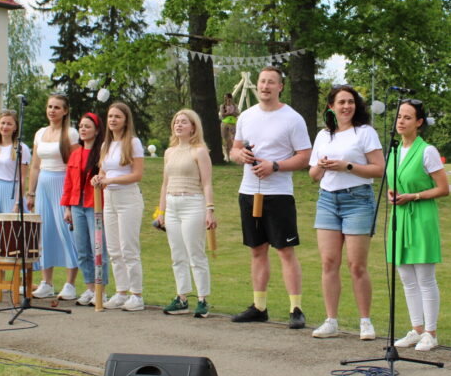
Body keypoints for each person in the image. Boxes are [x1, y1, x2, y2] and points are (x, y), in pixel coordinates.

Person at [230, 66, 312, 329]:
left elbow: (304, 157)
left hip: (278, 194)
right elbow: (234, 149)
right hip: (249, 191)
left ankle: (295, 308)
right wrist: (240, 156)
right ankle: (259, 306)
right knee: (257, 250)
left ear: (280, 87)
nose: (265, 86)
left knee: (285, 251)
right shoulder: (246, 116)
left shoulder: (293, 119)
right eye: (262, 82)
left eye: (271, 82)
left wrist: (274, 166)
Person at [308, 85, 384, 340]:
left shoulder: (364, 132)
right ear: (331, 106)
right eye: (341, 102)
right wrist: (321, 166)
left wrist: (347, 166)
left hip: (358, 200)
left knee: (356, 264)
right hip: (328, 200)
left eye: (350, 102)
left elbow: (379, 169)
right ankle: (331, 320)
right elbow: (312, 176)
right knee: (329, 262)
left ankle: (365, 321)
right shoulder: (323, 136)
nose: (346, 106)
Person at [387, 99, 450, 352]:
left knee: (424, 277)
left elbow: (443, 188)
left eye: (407, 117)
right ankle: (417, 328)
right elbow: (395, 181)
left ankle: (431, 332)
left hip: (421, 216)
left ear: (419, 123)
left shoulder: (427, 151)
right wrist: (393, 193)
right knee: (405, 277)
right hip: (399, 217)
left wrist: (413, 196)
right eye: (399, 116)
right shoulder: (392, 150)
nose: (401, 121)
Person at [156, 109, 216, 318]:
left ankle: (202, 299)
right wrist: (161, 211)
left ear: (193, 127)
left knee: (195, 252)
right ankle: (182, 297)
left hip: (193, 202)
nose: (179, 125)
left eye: (184, 122)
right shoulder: (169, 152)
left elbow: (207, 182)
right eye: (176, 122)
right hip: (172, 204)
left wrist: (210, 209)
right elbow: (165, 183)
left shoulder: (199, 151)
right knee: (177, 253)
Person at [27, 94, 80, 300]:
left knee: (65, 231)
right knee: (44, 232)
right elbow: (35, 165)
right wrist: (31, 192)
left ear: (65, 111)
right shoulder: (40, 133)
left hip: (62, 181)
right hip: (43, 184)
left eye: (57, 107)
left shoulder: (71, 134)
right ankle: (46, 282)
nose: (52, 110)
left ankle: (70, 283)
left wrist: (71, 195)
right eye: (50, 106)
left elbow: (75, 166)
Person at [95, 102, 146, 311]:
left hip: (128, 198)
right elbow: (104, 171)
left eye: (117, 117)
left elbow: (137, 174)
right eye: (110, 117)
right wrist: (100, 178)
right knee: (113, 249)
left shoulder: (133, 143)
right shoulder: (106, 145)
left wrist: (110, 181)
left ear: (125, 120)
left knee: (128, 248)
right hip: (109, 198)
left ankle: (137, 294)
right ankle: (121, 291)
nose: (113, 120)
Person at [60, 113, 108, 306]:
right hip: (77, 204)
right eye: (81, 126)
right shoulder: (75, 153)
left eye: (87, 126)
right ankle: (89, 288)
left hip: (95, 205)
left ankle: (101, 290)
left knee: (98, 249)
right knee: (82, 249)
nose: (83, 129)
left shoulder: (102, 153)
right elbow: (69, 182)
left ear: (96, 130)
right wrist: (68, 207)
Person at [219, 92, 240, 159]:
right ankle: (227, 155)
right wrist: (228, 113)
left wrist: (231, 113)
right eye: (225, 98)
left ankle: (232, 155)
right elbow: (222, 114)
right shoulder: (222, 106)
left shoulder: (235, 106)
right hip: (224, 123)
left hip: (233, 123)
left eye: (227, 98)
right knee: (225, 139)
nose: (226, 99)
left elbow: (237, 113)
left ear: (230, 98)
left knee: (232, 139)